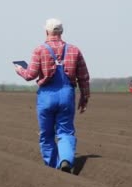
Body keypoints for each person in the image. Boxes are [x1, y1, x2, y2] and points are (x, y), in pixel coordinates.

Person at [15, 18, 90, 173]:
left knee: (46, 134)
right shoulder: (74, 50)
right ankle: (65, 160)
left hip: (46, 96)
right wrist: (84, 97)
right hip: (67, 95)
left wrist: (19, 70)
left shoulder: (39, 50)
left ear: (46, 31)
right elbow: (83, 77)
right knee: (66, 131)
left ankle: (52, 169)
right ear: (61, 32)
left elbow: (30, 75)